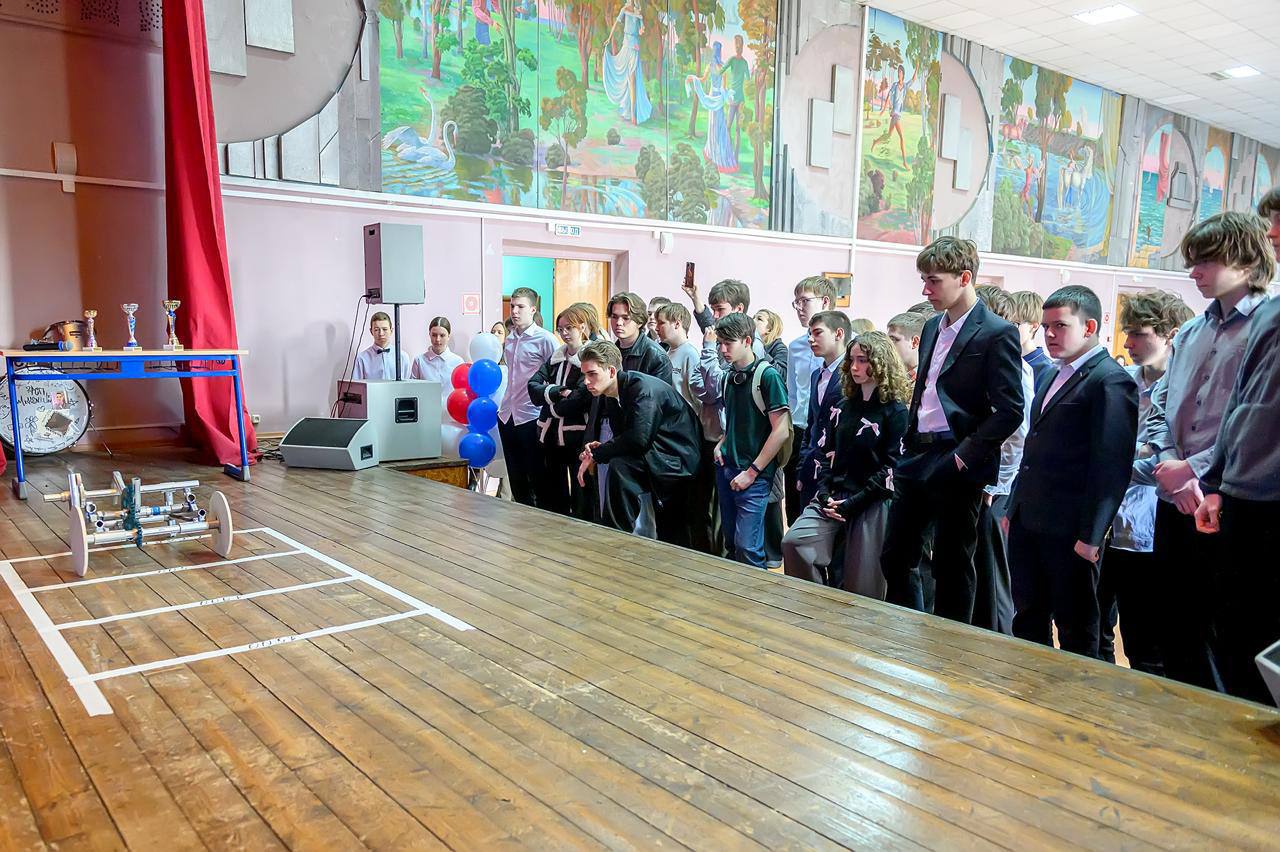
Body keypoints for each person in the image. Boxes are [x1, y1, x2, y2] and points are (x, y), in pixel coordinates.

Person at [1147, 211, 1274, 694]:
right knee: (1174, 625)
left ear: (1244, 259)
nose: (1194, 272)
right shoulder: (1189, 332)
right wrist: (1170, 464)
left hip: (1232, 497)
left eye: (1205, 260)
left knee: (1231, 634)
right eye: (1192, 261)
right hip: (1173, 493)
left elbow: (1258, 422)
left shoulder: (1267, 327)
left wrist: (1196, 471)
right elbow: (1161, 407)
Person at [879, 237, 1025, 623]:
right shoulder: (931, 326)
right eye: (924, 280)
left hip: (957, 455)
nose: (925, 291)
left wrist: (964, 456)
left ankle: (948, 647)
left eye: (933, 281)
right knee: (895, 556)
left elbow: (1010, 410)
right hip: (918, 451)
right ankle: (906, 631)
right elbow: (925, 390)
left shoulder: (996, 332)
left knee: (952, 565)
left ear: (964, 278)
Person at [1007, 285, 1138, 658]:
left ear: (1090, 326)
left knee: (1076, 628)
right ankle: (1030, 687)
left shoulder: (1110, 380)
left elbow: (1111, 467)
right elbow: (1034, 449)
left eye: (1060, 326)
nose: (1049, 334)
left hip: (1071, 529)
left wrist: (1092, 536)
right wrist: (1015, 508)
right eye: (1046, 326)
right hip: (1030, 519)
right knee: (1028, 617)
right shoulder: (1053, 374)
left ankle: (1074, 695)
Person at [1194, 193, 1280, 705]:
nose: (1272, 234)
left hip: (1274, 499)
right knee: (1235, 638)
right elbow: (1240, 403)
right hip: (1242, 495)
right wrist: (1215, 483)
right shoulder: (1271, 315)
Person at [1098, 291, 1193, 673]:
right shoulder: (1122, 383)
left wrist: (1120, 461)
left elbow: (1169, 462)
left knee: (1144, 640)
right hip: (1107, 522)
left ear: (1170, 334)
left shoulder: (1183, 390)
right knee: (1095, 629)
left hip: (1150, 528)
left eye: (1139, 333)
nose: (1129, 343)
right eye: (1128, 333)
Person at [783, 332, 909, 595]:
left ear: (880, 363)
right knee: (795, 543)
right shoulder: (842, 406)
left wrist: (854, 503)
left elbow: (892, 468)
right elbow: (824, 451)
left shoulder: (896, 412)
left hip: (870, 501)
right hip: (834, 495)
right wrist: (825, 493)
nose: (854, 367)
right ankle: (816, 604)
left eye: (862, 360)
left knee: (862, 586)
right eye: (852, 360)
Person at [578, 341, 701, 545]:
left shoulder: (641, 388)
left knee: (674, 535)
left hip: (676, 461)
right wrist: (598, 451)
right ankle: (614, 541)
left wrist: (599, 454)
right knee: (619, 466)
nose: (586, 381)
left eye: (592, 374)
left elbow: (638, 439)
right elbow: (628, 439)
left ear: (611, 371)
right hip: (657, 455)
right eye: (584, 375)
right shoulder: (612, 394)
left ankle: (614, 541)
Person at [972, 286, 1035, 636]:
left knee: (994, 574)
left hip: (996, 487)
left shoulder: (1015, 367)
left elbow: (1017, 435)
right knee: (977, 571)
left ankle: (1000, 643)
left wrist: (996, 487)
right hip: (979, 480)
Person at [712, 313, 791, 568]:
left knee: (748, 547)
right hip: (728, 467)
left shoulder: (767, 376)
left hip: (754, 475)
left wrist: (753, 471)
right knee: (732, 543)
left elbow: (781, 431)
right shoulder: (728, 377)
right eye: (720, 343)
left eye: (729, 343)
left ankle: (756, 593)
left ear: (747, 341)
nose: (723, 350)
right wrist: (722, 443)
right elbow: (735, 420)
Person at [655, 302, 717, 554]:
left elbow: (698, 400)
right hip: (672, 437)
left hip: (690, 437)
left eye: (661, 322)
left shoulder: (690, 354)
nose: (657, 327)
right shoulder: (665, 353)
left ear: (677, 323)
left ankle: (701, 551)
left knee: (695, 504)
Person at [529, 303, 600, 520]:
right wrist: (558, 391)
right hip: (550, 436)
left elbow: (579, 400)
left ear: (582, 327)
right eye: (560, 329)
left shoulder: (589, 358)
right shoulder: (556, 357)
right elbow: (533, 388)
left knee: (581, 491)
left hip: (577, 437)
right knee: (553, 492)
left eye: (569, 328)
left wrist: (549, 402)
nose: (564, 333)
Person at [497, 287, 558, 507]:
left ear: (533, 309)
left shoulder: (546, 339)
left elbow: (555, 375)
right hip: (507, 414)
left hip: (532, 415)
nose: (514, 311)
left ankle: (539, 520)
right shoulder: (510, 338)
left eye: (520, 307)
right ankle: (521, 517)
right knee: (516, 478)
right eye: (512, 306)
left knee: (537, 476)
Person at [785, 277, 837, 526]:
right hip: (802, 431)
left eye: (804, 301)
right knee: (795, 506)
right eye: (796, 302)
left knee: (827, 507)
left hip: (833, 435)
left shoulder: (852, 343)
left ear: (825, 302)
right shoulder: (795, 347)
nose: (799, 308)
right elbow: (793, 394)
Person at [795, 311, 852, 510]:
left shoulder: (852, 374)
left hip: (839, 473)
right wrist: (803, 465)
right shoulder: (816, 375)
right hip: (812, 466)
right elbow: (812, 424)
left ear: (839, 334)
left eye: (818, 333)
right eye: (810, 334)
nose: (811, 339)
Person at [753, 307, 789, 567]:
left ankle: (775, 553)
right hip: (760, 428)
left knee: (774, 495)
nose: (754, 322)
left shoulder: (779, 349)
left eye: (760, 319)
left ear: (771, 326)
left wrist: (757, 349)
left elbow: (778, 375)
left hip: (773, 425)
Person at [603, 0, 652, 125]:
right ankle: (628, 108)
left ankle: (633, 114)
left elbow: (641, 30)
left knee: (633, 80)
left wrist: (642, 30)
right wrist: (609, 38)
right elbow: (616, 24)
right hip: (626, 45)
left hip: (634, 46)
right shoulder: (624, 9)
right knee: (625, 76)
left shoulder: (638, 12)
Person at [607, 292, 672, 382]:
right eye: (614, 317)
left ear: (639, 322)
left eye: (625, 318)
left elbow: (659, 390)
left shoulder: (657, 356)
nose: (618, 323)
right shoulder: (609, 352)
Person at [872, 63, 917, 168]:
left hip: (898, 114)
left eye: (900, 72)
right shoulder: (895, 85)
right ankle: (904, 162)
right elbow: (888, 96)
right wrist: (884, 109)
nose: (899, 74)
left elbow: (913, 79)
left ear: (903, 74)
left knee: (888, 135)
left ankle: (875, 141)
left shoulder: (905, 86)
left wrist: (917, 67)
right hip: (894, 114)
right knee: (901, 137)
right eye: (898, 72)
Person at [1009, 291, 1054, 391]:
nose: (1007, 329)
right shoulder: (1008, 359)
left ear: (1034, 326)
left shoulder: (1047, 370)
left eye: (1013, 324)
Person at [352, 311, 410, 380]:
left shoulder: (403, 356)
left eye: (385, 329)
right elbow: (357, 384)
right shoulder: (362, 358)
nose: (381, 333)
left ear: (391, 330)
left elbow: (408, 384)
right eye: (376, 330)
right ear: (371, 331)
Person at [409, 316, 464, 388]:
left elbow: (462, 389)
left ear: (448, 336)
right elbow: (413, 389)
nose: (438, 339)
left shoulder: (458, 362)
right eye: (434, 335)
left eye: (442, 335)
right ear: (429, 334)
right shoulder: (419, 361)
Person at [886, 311, 926, 381]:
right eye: (887, 340)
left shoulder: (929, 379)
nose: (887, 345)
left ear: (915, 342)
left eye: (893, 339)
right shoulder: (887, 376)